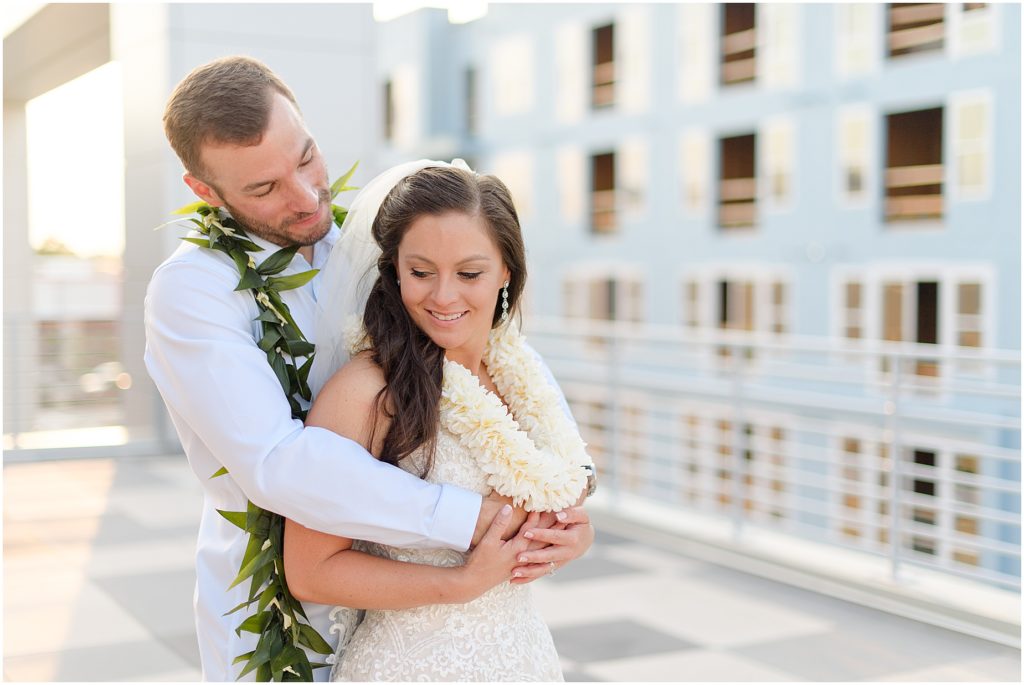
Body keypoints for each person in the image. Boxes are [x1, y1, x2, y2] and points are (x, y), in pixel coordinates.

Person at [143, 56, 595, 681]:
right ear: (205, 191)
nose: (305, 198)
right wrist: (470, 522)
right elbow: (279, 461)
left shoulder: (374, 245)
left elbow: (486, 348)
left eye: (306, 158)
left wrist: (569, 501)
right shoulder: (192, 293)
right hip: (277, 614)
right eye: (264, 188)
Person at [283, 161, 594, 681]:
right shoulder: (366, 392)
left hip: (521, 657)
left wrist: (573, 538)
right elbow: (310, 571)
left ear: (506, 273)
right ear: (395, 271)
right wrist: (459, 584)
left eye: (469, 273)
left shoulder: (521, 372)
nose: (443, 296)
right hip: (413, 666)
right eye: (421, 272)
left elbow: (561, 487)